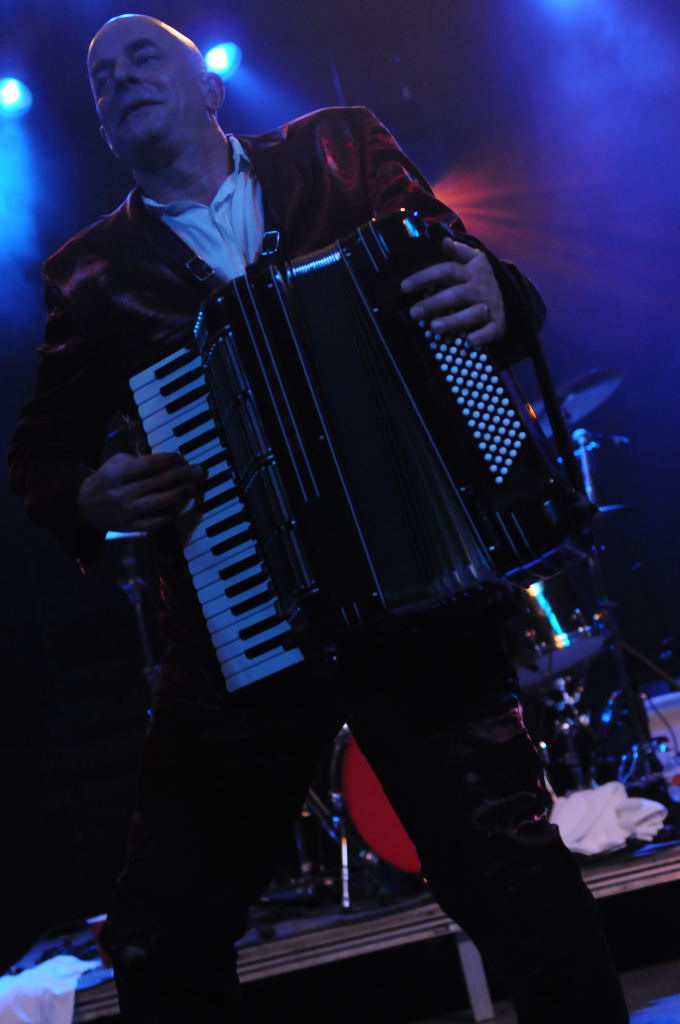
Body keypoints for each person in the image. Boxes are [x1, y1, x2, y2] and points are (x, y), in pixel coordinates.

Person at [8, 14, 630, 1024]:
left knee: (511, 873)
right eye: (100, 79)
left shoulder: (340, 152)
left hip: (423, 605)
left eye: (142, 57)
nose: (118, 79)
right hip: (238, 630)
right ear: (105, 131)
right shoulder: (92, 275)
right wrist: (87, 494)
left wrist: (498, 292)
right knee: (161, 932)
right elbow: (41, 450)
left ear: (209, 88)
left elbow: (464, 273)